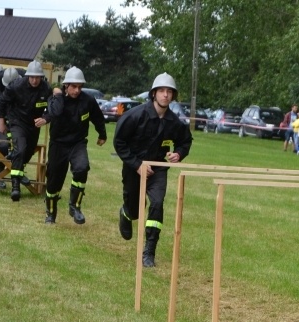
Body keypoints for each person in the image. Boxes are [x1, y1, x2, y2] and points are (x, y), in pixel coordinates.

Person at [113, 73, 193, 268]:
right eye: (162, 91)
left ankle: (149, 251)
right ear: (154, 94)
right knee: (135, 210)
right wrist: (137, 164)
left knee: (157, 204)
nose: (166, 95)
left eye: (169, 92)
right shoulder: (135, 115)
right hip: (134, 168)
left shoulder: (175, 122)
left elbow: (185, 141)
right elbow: (119, 142)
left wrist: (179, 154)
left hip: (158, 169)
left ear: (173, 96)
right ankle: (126, 213)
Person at [43, 67, 107, 225]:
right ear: (66, 86)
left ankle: (75, 206)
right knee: (53, 181)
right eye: (74, 87)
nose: (77, 90)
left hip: (77, 143)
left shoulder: (88, 100)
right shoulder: (57, 99)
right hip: (58, 144)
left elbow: (98, 118)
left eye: (80, 87)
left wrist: (102, 134)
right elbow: (51, 113)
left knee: (82, 168)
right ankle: (51, 214)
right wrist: (56, 97)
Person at [0, 61, 52, 201]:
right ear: (27, 76)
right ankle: (15, 187)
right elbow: (2, 102)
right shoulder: (16, 86)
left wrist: (45, 118)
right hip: (17, 122)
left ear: (41, 77)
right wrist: (1, 122)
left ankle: (18, 171)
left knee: (27, 153)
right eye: (32, 77)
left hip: (34, 125)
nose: (34, 80)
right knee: (20, 149)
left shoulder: (46, 88)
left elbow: (52, 107)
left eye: (37, 77)